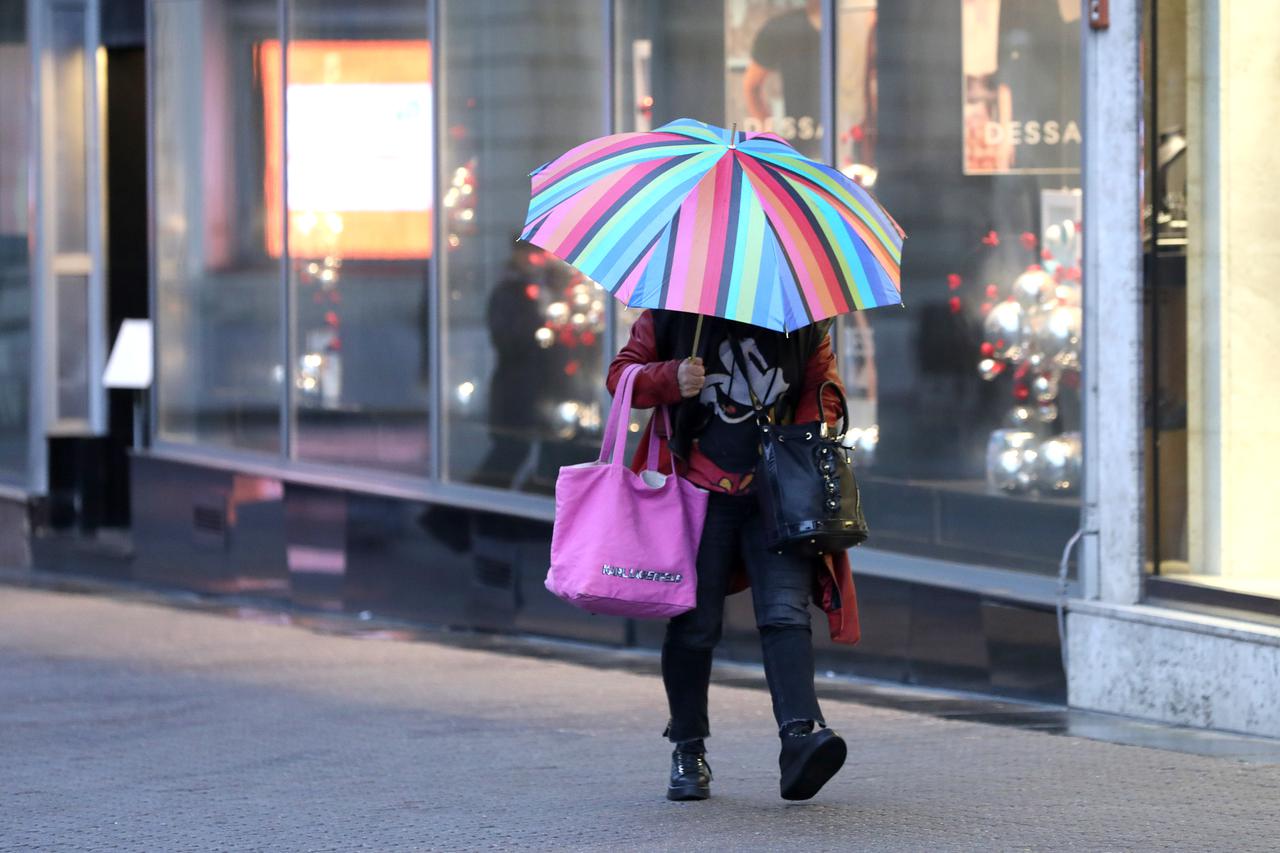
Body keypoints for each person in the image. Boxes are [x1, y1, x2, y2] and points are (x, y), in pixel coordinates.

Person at [607, 308, 860, 802]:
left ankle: (800, 736)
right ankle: (688, 748)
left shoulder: (803, 322)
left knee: (786, 614)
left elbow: (824, 392)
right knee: (695, 624)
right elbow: (621, 377)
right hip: (695, 496)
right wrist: (670, 378)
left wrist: (801, 431)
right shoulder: (672, 316)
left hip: (776, 498)